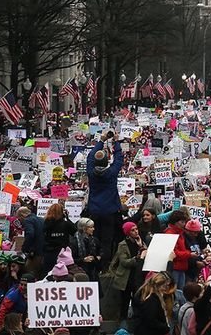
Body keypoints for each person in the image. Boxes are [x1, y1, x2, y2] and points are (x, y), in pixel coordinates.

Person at [87, 130, 125, 268]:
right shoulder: (111, 173)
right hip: (109, 211)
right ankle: (105, 265)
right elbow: (119, 159)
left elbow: (90, 157)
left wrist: (101, 140)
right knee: (107, 241)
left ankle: (94, 263)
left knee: (94, 237)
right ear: (106, 162)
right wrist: (116, 142)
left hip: (95, 210)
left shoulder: (91, 173)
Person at [109, 222, 149, 324]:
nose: (136, 232)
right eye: (133, 230)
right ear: (127, 233)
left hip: (138, 276)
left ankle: (136, 320)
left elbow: (146, 256)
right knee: (125, 301)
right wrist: (137, 257)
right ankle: (122, 321)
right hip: (126, 278)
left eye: (136, 229)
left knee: (138, 300)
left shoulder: (141, 242)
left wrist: (141, 246)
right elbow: (124, 262)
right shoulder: (122, 245)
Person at [42, 203, 77, 274]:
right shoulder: (66, 224)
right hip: (63, 253)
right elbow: (75, 232)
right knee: (63, 274)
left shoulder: (45, 223)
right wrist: (67, 218)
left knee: (48, 273)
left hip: (49, 252)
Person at [165, 210, 194, 289]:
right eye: (182, 222)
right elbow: (174, 253)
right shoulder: (170, 234)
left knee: (180, 291)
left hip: (181, 267)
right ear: (175, 222)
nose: (184, 224)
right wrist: (189, 254)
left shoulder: (179, 233)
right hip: (174, 268)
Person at [16, 207, 44, 279]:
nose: (20, 221)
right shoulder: (41, 219)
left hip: (35, 253)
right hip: (44, 252)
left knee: (28, 274)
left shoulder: (28, 220)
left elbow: (30, 234)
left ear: (22, 215)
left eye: (19, 218)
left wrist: (25, 248)